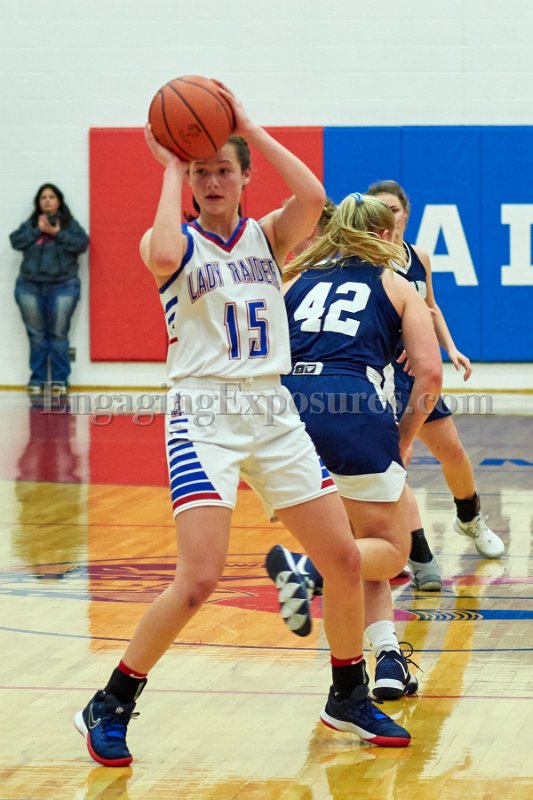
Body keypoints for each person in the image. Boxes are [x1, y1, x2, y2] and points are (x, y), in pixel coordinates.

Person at [74, 83, 413, 767]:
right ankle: (109, 702)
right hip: (204, 414)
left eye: (223, 169)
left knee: (344, 559)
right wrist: (172, 164)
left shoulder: (266, 234)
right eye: (201, 172)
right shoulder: (173, 241)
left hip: (273, 410)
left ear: (244, 176)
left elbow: (313, 197)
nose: (212, 181)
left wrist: (249, 125)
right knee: (198, 578)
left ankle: (347, 694)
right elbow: (161, 254)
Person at [265, 192, 442, 700]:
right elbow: (429, 375)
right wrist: (404, 437)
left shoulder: (295, 279)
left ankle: (386, 661)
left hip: (285, 410)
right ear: (385, 235)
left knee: (362, 541)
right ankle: (305, 570)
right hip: (350, 407)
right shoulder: (396, 283)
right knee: (391, 550)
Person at [365, 180, 505, 563]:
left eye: (393, 210)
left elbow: (431, 307)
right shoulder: (366, 260)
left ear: (405, 214)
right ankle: (406, 547)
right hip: (382, 373)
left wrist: (450, 348)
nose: (387, 217)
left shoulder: (420, 257)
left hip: (418, 375)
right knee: (396, 461)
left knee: (454, 453)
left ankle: (470, 519)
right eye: (379, 211)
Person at [9, 184, 89, 395]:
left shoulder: (69, 224)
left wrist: (57, 233)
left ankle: (60, 381)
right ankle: (38, 379)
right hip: (29, 286)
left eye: (51, 196)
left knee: (58, 334)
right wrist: (38, 230)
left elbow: (82, 243)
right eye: (43, 197)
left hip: (63, 286)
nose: (47, 200)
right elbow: (15, 240)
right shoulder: (32, 223)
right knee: (36, 335)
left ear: (59, 201)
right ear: (38, 202)